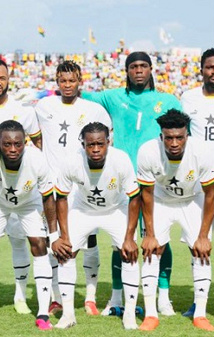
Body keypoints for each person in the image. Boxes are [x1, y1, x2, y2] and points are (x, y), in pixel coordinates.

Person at [82, 51, 181, 316]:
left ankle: (163, 297)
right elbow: (80, 95)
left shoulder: (168, 100)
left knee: (158, 238)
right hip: (121, 183)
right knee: (120, 239)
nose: (138, 70)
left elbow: (182, 137)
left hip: (155, 182)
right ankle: (116, 298)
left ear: (151, 69)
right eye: (133, 66)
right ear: (126, 71)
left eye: (143, 66)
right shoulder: (113, 97)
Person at [35, 60, 112, 316]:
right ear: (57, 81)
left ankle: (89, 296)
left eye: (72, 80)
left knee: (89, 240)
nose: (67, 85)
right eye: (63, 81)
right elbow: (36, 138)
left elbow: (106, 142)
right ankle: (56, 296)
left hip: (81, 188)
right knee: (53, 241)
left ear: (80, 81)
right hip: (49, 188)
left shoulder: (94, 109)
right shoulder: (43, 106)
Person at [52, 122, 140, 329]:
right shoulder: (71, 162)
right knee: (65, 252)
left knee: (129, 253)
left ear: (108, 142)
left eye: (100, 144)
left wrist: (129, 238)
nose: (96, 149)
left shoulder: (121, 160)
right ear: (83, 144)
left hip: (116, 210)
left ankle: (129, 314)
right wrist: (63, 236)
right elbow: (61, 198)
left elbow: (135, 198)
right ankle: (68, 314)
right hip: (83, 209)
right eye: (90, 144)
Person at [136, 109, 214, 331]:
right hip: (160, 201)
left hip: (193, 199)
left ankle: (200, 314)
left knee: (200, 250)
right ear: (161, 136)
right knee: (152, 250)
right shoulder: (148, 151)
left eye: (179, 137)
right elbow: (146, 194)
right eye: (168, 137)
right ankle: (151, 314)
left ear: (187, 135)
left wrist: (203, 236)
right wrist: (149, 234)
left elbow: (211, 194)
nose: (174, 143)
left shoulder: (203, 151)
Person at [0, 120, 56, 330]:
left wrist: (54, 233)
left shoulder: (37, 159)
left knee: (39, 244)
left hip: (28, 203)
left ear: (25, 142)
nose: (13, 149)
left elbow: (48, 197)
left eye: (18, 143)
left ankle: (43, 313)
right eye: (7, 144)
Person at [0, 58, 43, 315]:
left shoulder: (23, 111)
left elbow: (38, 147)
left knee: (20, 241)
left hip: (21, 190)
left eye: (1, 77)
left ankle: (20, 296)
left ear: (8, 79)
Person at [179, 47, 214, 317]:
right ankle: (199, 302)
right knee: (199, 242)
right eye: (210, 67)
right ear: (201, 69)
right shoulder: (188, 98)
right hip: (200, 181)